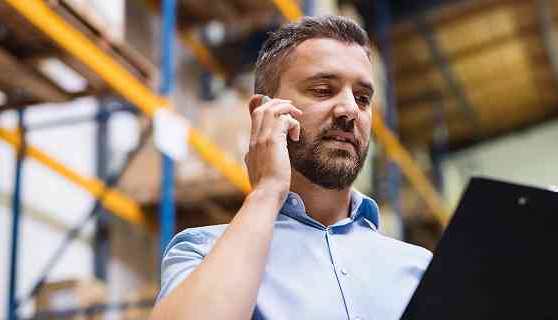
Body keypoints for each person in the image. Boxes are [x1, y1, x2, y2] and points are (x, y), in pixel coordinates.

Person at [149, 15, 432, 320]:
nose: (350, 109)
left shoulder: (421, 270)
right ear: (263, 112)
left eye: (362, 98)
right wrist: (267, 191)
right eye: (323, 90)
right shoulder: (202, 253)